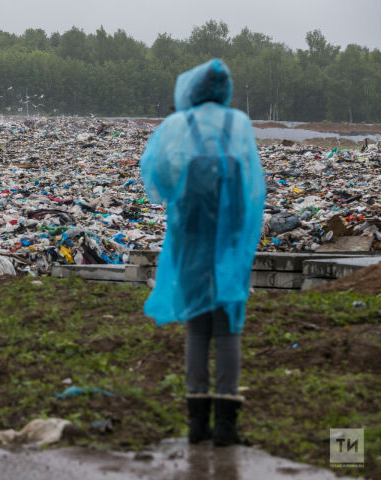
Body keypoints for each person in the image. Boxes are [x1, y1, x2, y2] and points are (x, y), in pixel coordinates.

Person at [139, 59, 266, 446]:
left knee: (196, 326)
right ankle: (225, 425)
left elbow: (157, 176)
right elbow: (253, 184)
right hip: (228, 238)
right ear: (224, 88)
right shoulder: (238, 123)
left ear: (191, 89)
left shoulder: (177, 125)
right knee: (227, 327)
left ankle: (196, 423)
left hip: (190, 235)